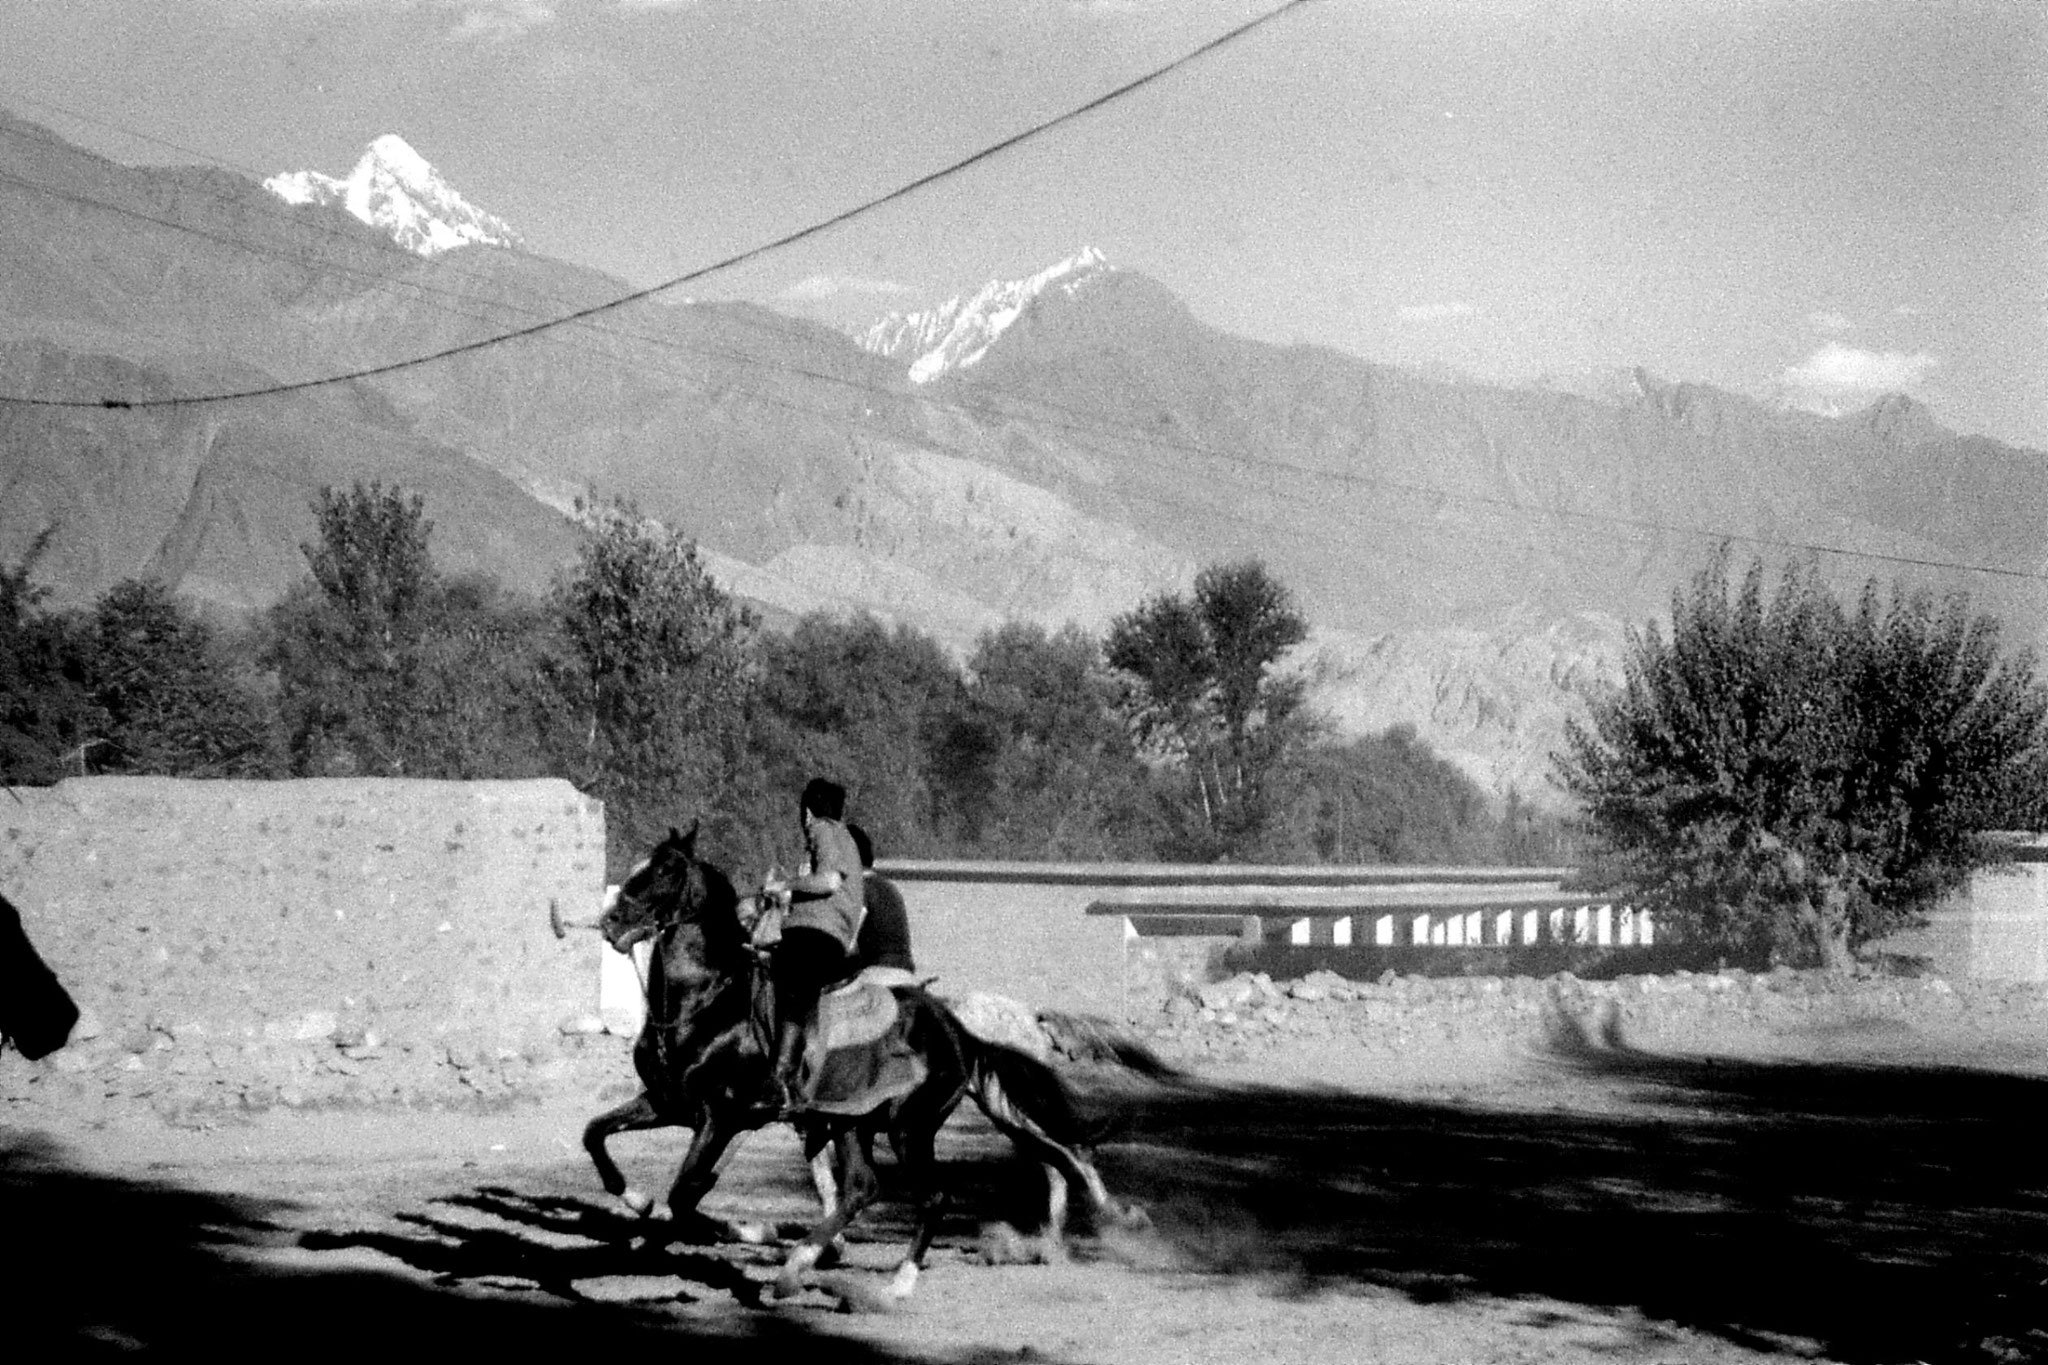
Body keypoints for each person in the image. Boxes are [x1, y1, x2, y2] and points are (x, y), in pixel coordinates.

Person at [755, 777, 865, 1117]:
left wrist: (783, 886)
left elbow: (829, 881)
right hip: (833, 933)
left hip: (817, 932)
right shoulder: (846, 838)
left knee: (786, 979)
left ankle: (778, 1077)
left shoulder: (822, 829)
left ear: (806, 812)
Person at [847, 822, 915, 974]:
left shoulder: (857, 888)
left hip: (876, 973)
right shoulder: (890, 888)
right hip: (905, 971)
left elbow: (848, 945)